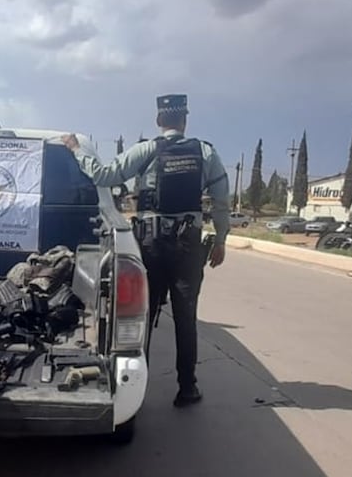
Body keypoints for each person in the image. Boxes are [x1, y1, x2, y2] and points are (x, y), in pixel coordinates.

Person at [60, 94, 229, 407]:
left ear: (159, 120)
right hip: (188, 246)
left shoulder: (147, 150)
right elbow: (221, 201)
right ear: (185, 120)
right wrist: (221, 240)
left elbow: (104, 175)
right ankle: (187, 387)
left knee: (143, 317)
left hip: (152, 245)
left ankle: (138, 390)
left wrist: (76, 150)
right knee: (186, 317)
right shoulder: (206, 152)